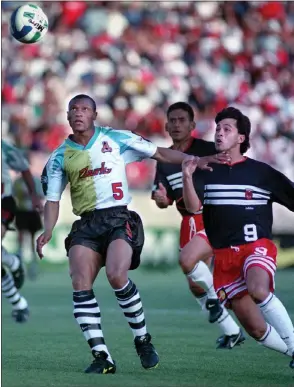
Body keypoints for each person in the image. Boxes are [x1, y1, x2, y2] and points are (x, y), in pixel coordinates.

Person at [36, 94, 224, 375]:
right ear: (67, 116)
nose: (78, 113)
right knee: (79, 282)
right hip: (86, 223)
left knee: (116, 275)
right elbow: (53, 199)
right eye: (74, 109)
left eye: (84, 108)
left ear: (94, 115)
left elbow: (160, 152)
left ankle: (142, 340)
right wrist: (47, 229)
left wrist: (194, 159)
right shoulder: (59, 156)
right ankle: (102, 356)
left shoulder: (116, 138)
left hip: (118, 217)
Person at [181, 106, 294, 369]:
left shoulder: (261, 173)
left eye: (226, 129)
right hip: (223, 257)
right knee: (256, 330)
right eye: (218, 128)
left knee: (258, 289)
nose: (219, 133)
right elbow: (193, 207)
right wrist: (187, 176)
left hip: (256, 247)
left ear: (241, 138)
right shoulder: (204, 170)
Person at [152, 102, 244, 349]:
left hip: (213, 217)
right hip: (188, 222)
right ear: (166, 126)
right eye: (173, 120)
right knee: (195, 285)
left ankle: (219, 302)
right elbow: (164, 197)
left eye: (182, 120)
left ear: (193, 125)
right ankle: (232, 331)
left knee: (197, 270)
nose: (177, 124)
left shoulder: (207, 149)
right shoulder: (164, 160)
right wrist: (161, 199)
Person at [1, 140, 42, 322]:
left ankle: (19, 263)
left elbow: (24, 168)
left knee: (29, 237)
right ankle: (19, 303)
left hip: (3, 203)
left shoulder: (3, 147)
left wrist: (33, 195)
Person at [13, 159, 44, 280]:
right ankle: (19, 260)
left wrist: (32, 196)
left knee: (32, 238)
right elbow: (13, 195)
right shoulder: (18, 182)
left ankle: (33, 262)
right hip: (21, 211)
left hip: (32, 212)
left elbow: (41, 195)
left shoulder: (35, 180)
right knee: (21, 236)